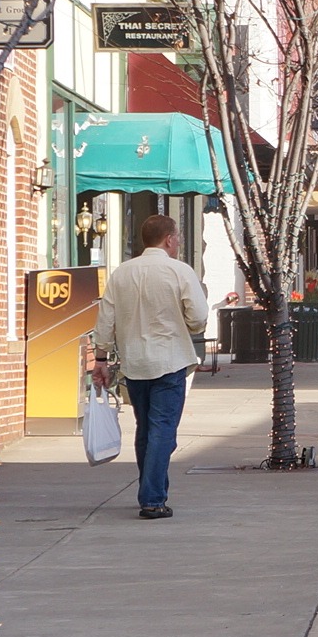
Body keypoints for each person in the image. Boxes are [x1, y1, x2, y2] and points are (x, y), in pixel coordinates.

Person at [93, 213, 211, 517]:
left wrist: (101, 359)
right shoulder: (180, 272)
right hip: (170, 361)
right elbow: (197, 319)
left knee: (145, 429)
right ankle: (153, 498)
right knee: (163, 431)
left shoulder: (121, 274)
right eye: (178, 237)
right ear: (169, 239)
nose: (180, 242)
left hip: (134, 363)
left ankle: (151, 490)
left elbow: (105, 320)